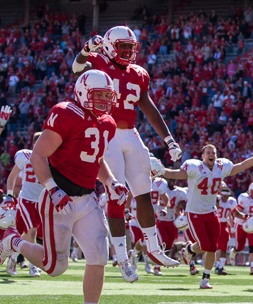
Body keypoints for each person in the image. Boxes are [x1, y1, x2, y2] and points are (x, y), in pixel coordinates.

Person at [0, 70, 128, 304]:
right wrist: (52, 189)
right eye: (97, 95)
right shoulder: (65, 113)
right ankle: (13, 242)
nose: (102, 100)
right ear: (82, 92)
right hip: (59, 199)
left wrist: (111, 182)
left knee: (99, 254)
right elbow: (39, 156)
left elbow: (95, 158)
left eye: (106, 95)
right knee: (56, 267)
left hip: (87, 197)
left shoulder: (107, 123)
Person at [72, 26, 182, 282]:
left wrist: (169, 139)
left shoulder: (139, 73)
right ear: (110, 46)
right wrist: (86, 49)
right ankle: (121, 257)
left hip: (131, 134)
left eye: (131, 48)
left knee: (144, 191)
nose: (128, 53)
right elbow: (76, 69)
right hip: (107, 133)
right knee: (117, 194)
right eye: (123, 47)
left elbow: (148, 107)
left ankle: (154, 247)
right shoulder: (99, 61)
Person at [159, 142, 253, 289]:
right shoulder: (195, 167)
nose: (212, 155)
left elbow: (242, 165)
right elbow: (177, 174)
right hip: (195, 212)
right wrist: (161, 171)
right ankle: (189, 250)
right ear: (202, 156)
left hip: (211, 212)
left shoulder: (221, 167)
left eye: (214, 152)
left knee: (213, 247)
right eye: (208, 152)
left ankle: (205, 278)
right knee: (205, 245)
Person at [5, 133, 43, 277]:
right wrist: (9, 195)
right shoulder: (25, 156)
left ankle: (13, 258)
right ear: (33, 143)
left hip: (41, 202)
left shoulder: (51, 158)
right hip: (26, 200)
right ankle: (33, 266)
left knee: (23, 235)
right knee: (31, 232)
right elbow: (12, 176)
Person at [229, 182, 253, 276]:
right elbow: (235, 212)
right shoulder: (244, 198)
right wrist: (246, 217)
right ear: (249, 191)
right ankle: (234, 251)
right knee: (240, 247)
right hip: (241, 224)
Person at [214, 185, 237, 275]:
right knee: (214, 246)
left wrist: (233, 224)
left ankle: (221, 266)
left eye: (227, 196)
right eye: (224, 196)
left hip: (224, 224)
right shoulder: (216, 199)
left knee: (224, 246)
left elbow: (233, 213)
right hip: (214, 223)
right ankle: (216, 265)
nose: (225, 198)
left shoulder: (231, 201)